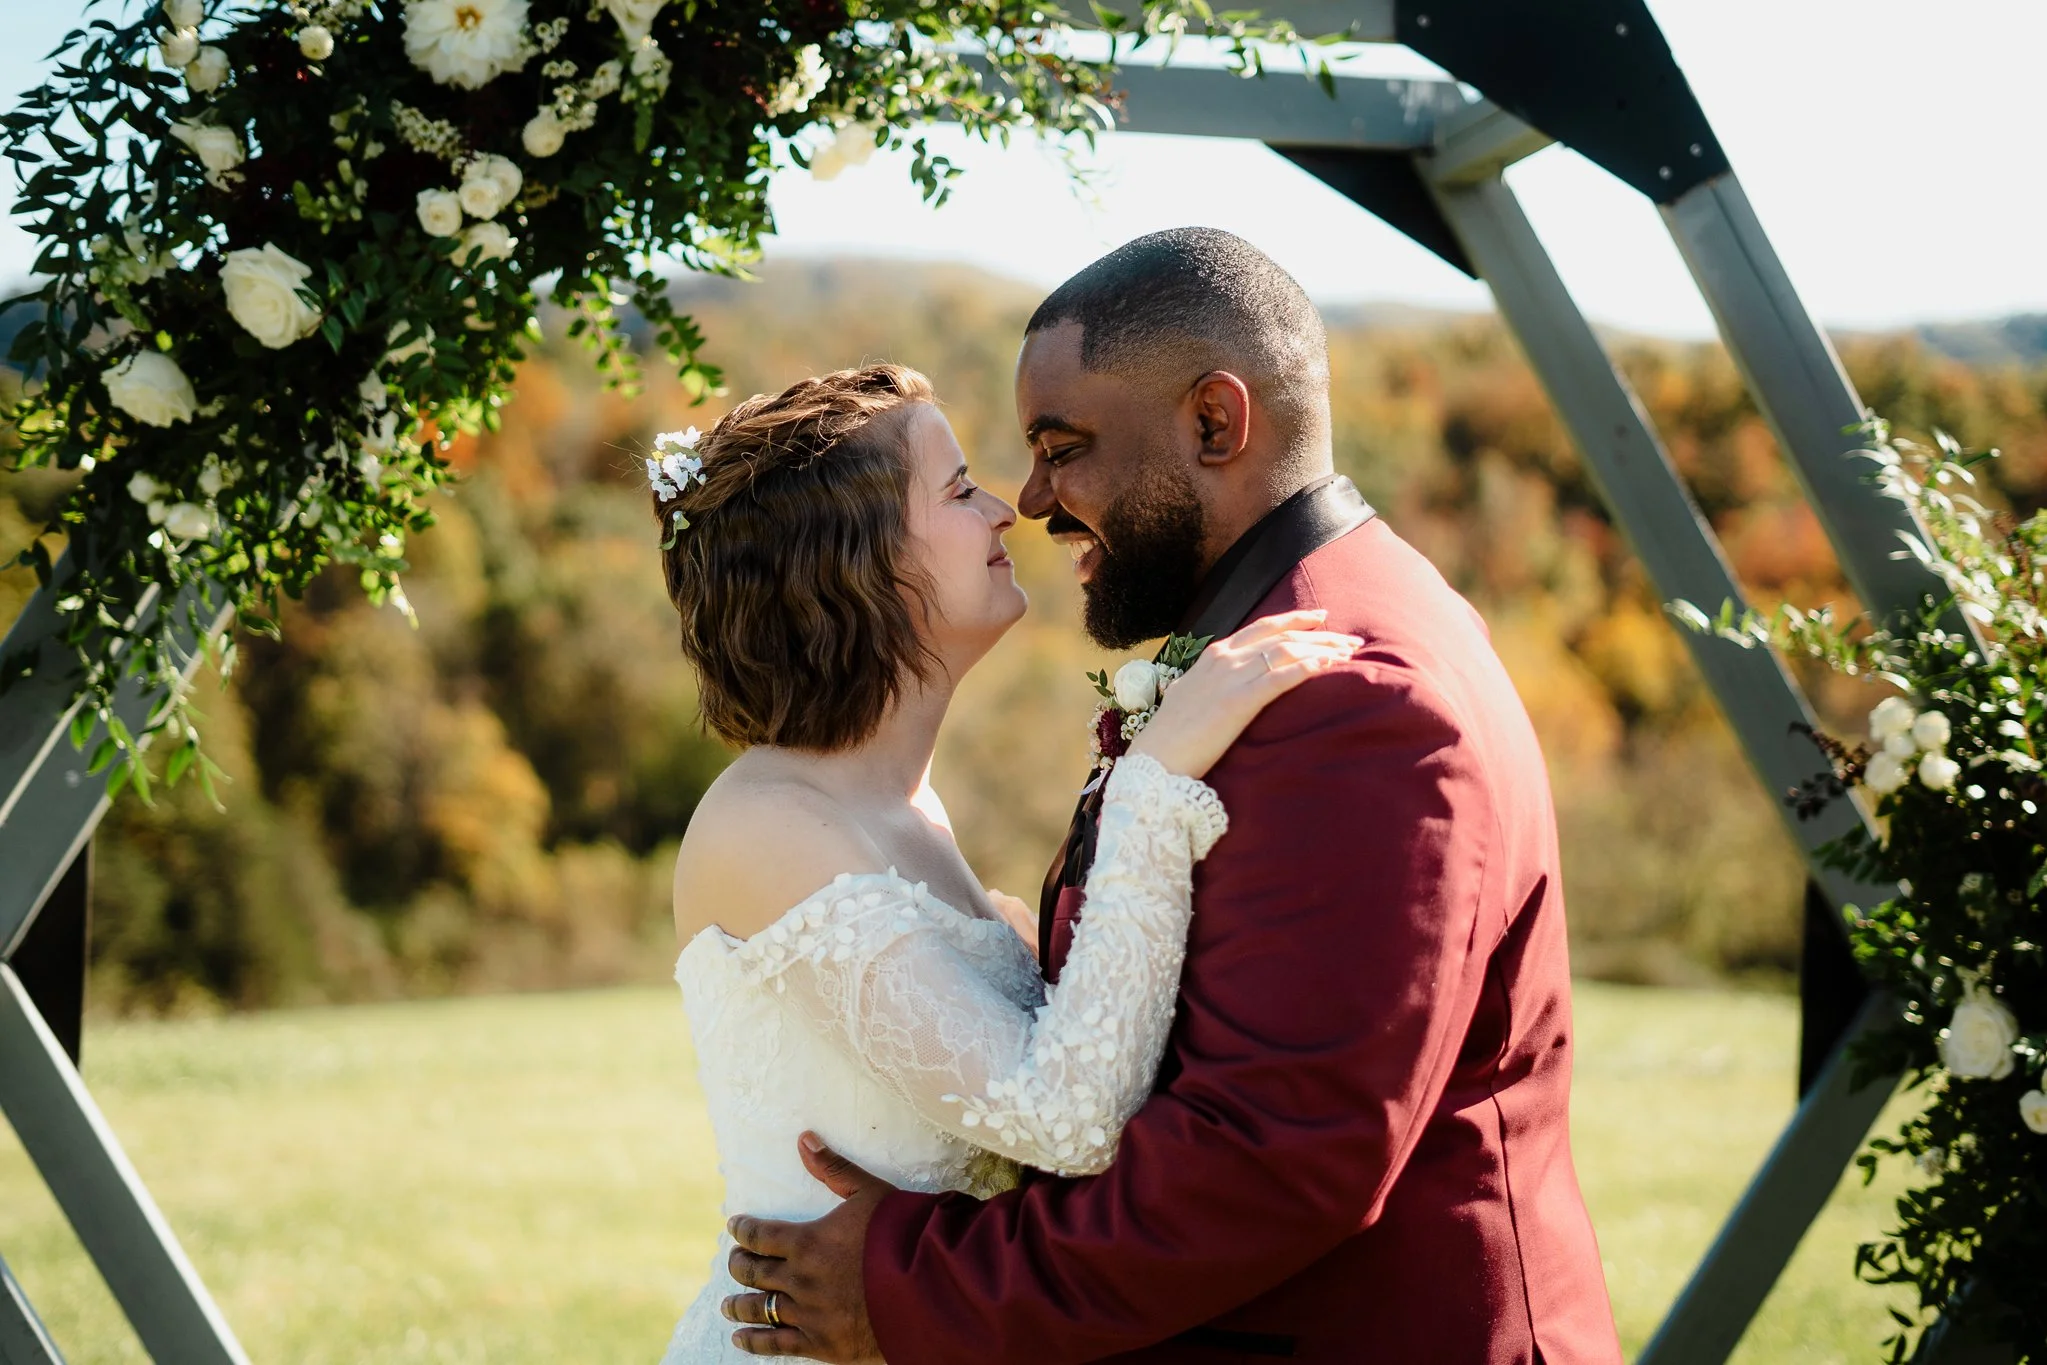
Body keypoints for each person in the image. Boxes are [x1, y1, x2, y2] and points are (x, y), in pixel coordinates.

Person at [718, 229, 1625, 1364]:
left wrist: (908, 1291)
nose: (1033, 500)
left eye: (1063, 446)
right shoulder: (1275, 642)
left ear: (1213, 422)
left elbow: (1270, 1154)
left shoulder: (1348, 694)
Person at [651, 360, 1361, 1365]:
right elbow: (1063, 1115)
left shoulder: (903, 813)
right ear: (854, 559)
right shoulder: (767, 822)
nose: (1001, 511)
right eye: (955, 489)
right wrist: (1151, 787)